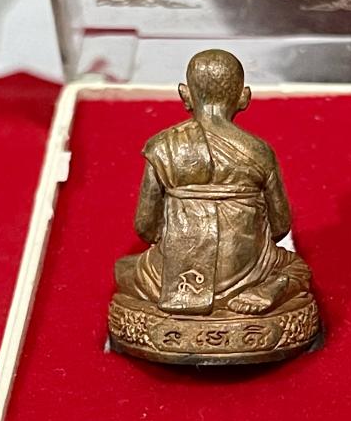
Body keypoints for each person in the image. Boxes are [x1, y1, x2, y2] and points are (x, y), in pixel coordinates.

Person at [115, 49, 312, 316]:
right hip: (250, 272)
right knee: (297, 268)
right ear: (244, 97)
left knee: (124, 268)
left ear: (185, 94)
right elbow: (280, 226)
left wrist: (176, 238)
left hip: (174, 275)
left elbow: (145, 227)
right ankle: (271, 287)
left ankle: (175, 295)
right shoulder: (259, 152)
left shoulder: (162, 147)